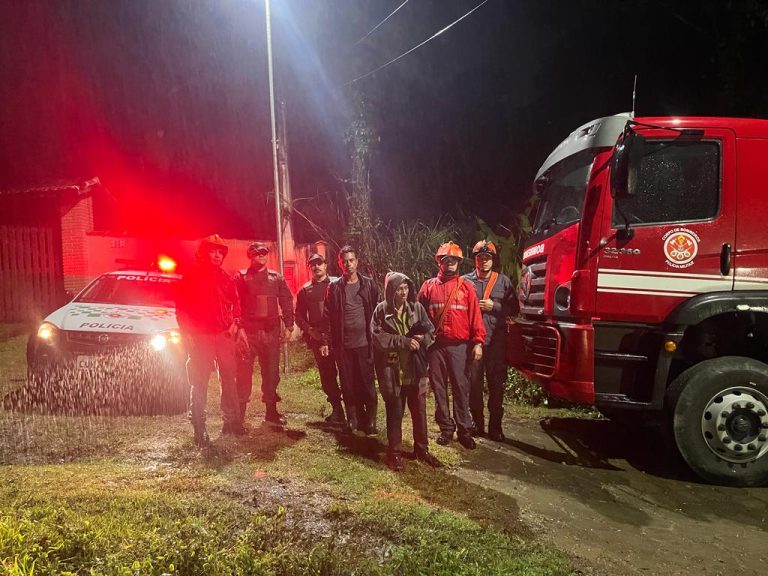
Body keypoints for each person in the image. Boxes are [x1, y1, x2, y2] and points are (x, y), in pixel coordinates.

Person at [176, 234, 247, 445]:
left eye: (220, 252)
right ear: (205, 253)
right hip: (201, 337)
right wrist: (187, 332)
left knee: (229, 380)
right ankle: (199, 427)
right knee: (199, 383)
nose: (217, 255)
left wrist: (236, 323)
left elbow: (237, 304)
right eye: (213, 251)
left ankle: (232, 422)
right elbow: (181, 309)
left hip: (224, 336)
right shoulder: (191, 277)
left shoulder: (226, 278)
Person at [371, 271, 443, 471]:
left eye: (406, 288)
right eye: (399, 289)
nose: (404, 293)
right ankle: (394, 454)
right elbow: (377, 338)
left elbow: (430, 332)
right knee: (395, 412)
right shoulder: (380, 311)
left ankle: (422, 450)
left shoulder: (417, 308)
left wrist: (422, 340)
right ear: (390, 291)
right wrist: (403, 341)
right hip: (393, 371)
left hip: (415, 371)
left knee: (419, 412)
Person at [418, 241, 485, 450]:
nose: (451, 264)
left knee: (460, 387)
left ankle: (464, 430)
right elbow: (418, 316)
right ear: (440, 262)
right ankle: (446, 428)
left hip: (459, 347)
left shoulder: (466, 288)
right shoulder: (428, 287)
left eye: (454, 260)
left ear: (459, 262)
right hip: (436, 347)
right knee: (439, 389)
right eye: (447, 260)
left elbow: (475, 317)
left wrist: (478, 343)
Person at [234, 242, 294, 426]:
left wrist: (290, 325)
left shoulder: (276, 278)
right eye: (256, 252)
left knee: (271, 374)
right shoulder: (240, 277)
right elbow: (234, 303)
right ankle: (239, 414)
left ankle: (271, 412)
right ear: (249, 255)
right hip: (248, 334)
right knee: (243, 374)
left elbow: (286, 300)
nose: (260, 255)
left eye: (264, 252)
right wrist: (238, 328)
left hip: (270, 332)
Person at [322, 245, 379, 435]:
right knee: (348, 384)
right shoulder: (334, 287)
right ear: (340, 264)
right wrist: (325, 341)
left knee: (367, 383)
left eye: (351, 260)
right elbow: (328, 317)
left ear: (357, 261)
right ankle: (353, 418)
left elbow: (377, 313)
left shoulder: (369, 284)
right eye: (344, 261)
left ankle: (370, 420)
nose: (348, 264)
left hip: (365, 344)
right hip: (343, 346)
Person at [463, 240, 514, 442]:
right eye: (480, 258)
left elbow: (515, 309)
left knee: (496, 386)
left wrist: (496, 306)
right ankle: (477, 424)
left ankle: (495, 428)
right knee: (473, 386)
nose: (484, 261)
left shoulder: (503, 282)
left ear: (493, 260)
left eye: (488, 258)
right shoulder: (465, 281)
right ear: (475, 260)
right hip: (473, 343)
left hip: (496, 344)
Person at [295, 252, 345, 425]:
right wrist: (310, 330)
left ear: (326, 265)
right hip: (318, 339)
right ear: (310, 268)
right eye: (313, 264)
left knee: (346, 374)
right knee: (327, 376)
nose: (316, 267)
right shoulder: (305, 290)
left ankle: (354, 412)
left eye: (319, 263)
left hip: (339, 338)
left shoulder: (338, 284)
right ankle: (338, 410)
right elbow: (299, 315)